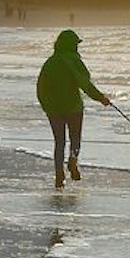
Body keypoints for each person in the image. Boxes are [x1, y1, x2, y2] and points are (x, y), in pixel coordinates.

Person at [35, 30, 110, 189]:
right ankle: (73, 161)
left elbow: (41, 88)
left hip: (54, 109)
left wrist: (46, 106)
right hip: (73, 107)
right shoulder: (74, 60)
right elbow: (84, 83)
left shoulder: (50, 62)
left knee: (59, 142)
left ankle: (58, 175)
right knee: (75, 138)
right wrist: (100, 98)